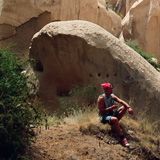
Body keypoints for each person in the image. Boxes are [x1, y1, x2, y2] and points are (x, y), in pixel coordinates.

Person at [97, 83, 133, 147]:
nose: (111, 91)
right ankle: (122, 138)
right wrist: (111, 108)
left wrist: (129, 107)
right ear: (105, 90)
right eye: (110, 89)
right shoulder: (101, 98)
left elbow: (121, 101)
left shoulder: (112, 96)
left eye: (112, 89)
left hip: (111, 114)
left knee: (124, 107)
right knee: (115, 119)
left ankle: (114, 124)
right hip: (103, 116)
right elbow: (101, 112)